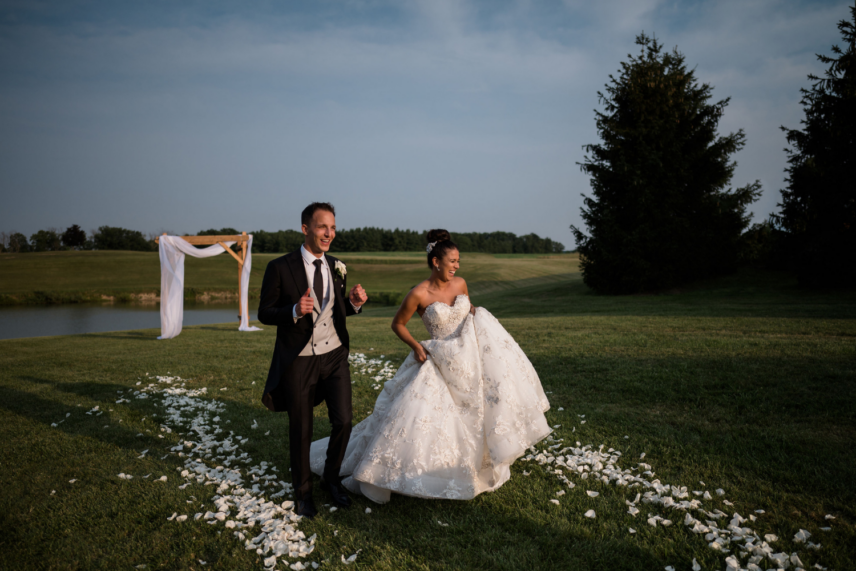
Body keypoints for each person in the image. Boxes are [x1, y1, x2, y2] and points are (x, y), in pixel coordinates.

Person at [309, 229, 551, 504]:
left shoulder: (460, 284)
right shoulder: (418, 293)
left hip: (468, 359)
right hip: (435, 360)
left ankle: (477, 463)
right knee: (419, 417)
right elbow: (397, 324)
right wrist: (416, 345)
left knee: (478, 411)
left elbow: (469, 313)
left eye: (459, 261)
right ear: (436, 262)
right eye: (453, 261)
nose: (457, 266)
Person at [258, 202, 368, 518]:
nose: (329, 234)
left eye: (332, 228)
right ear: (306, 228)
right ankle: (304, 493)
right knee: (302, 428)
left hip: (334, 356)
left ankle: (331, 480)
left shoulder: (337, 266)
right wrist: (293, 310)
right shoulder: (279, 267)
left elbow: (334, 311)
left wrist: (353, 303)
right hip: (300, 360)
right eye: (322, 227)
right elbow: (265, 312)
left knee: (344, 420)